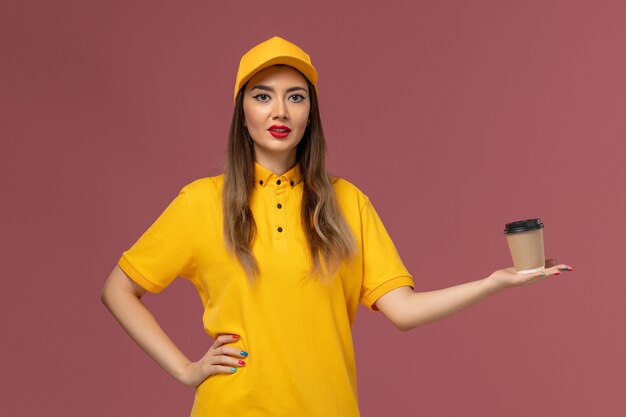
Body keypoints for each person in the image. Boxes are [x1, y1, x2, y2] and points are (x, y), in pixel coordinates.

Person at [101, 36, 573, 417]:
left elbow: (403, 311)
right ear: (243, 114)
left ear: (311, 114)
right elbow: (118, 290)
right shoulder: (201, 202)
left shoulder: (348, 203)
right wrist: (186, 369)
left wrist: (496, 282)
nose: (279, 111)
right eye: (262, 96)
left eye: (295, 97)